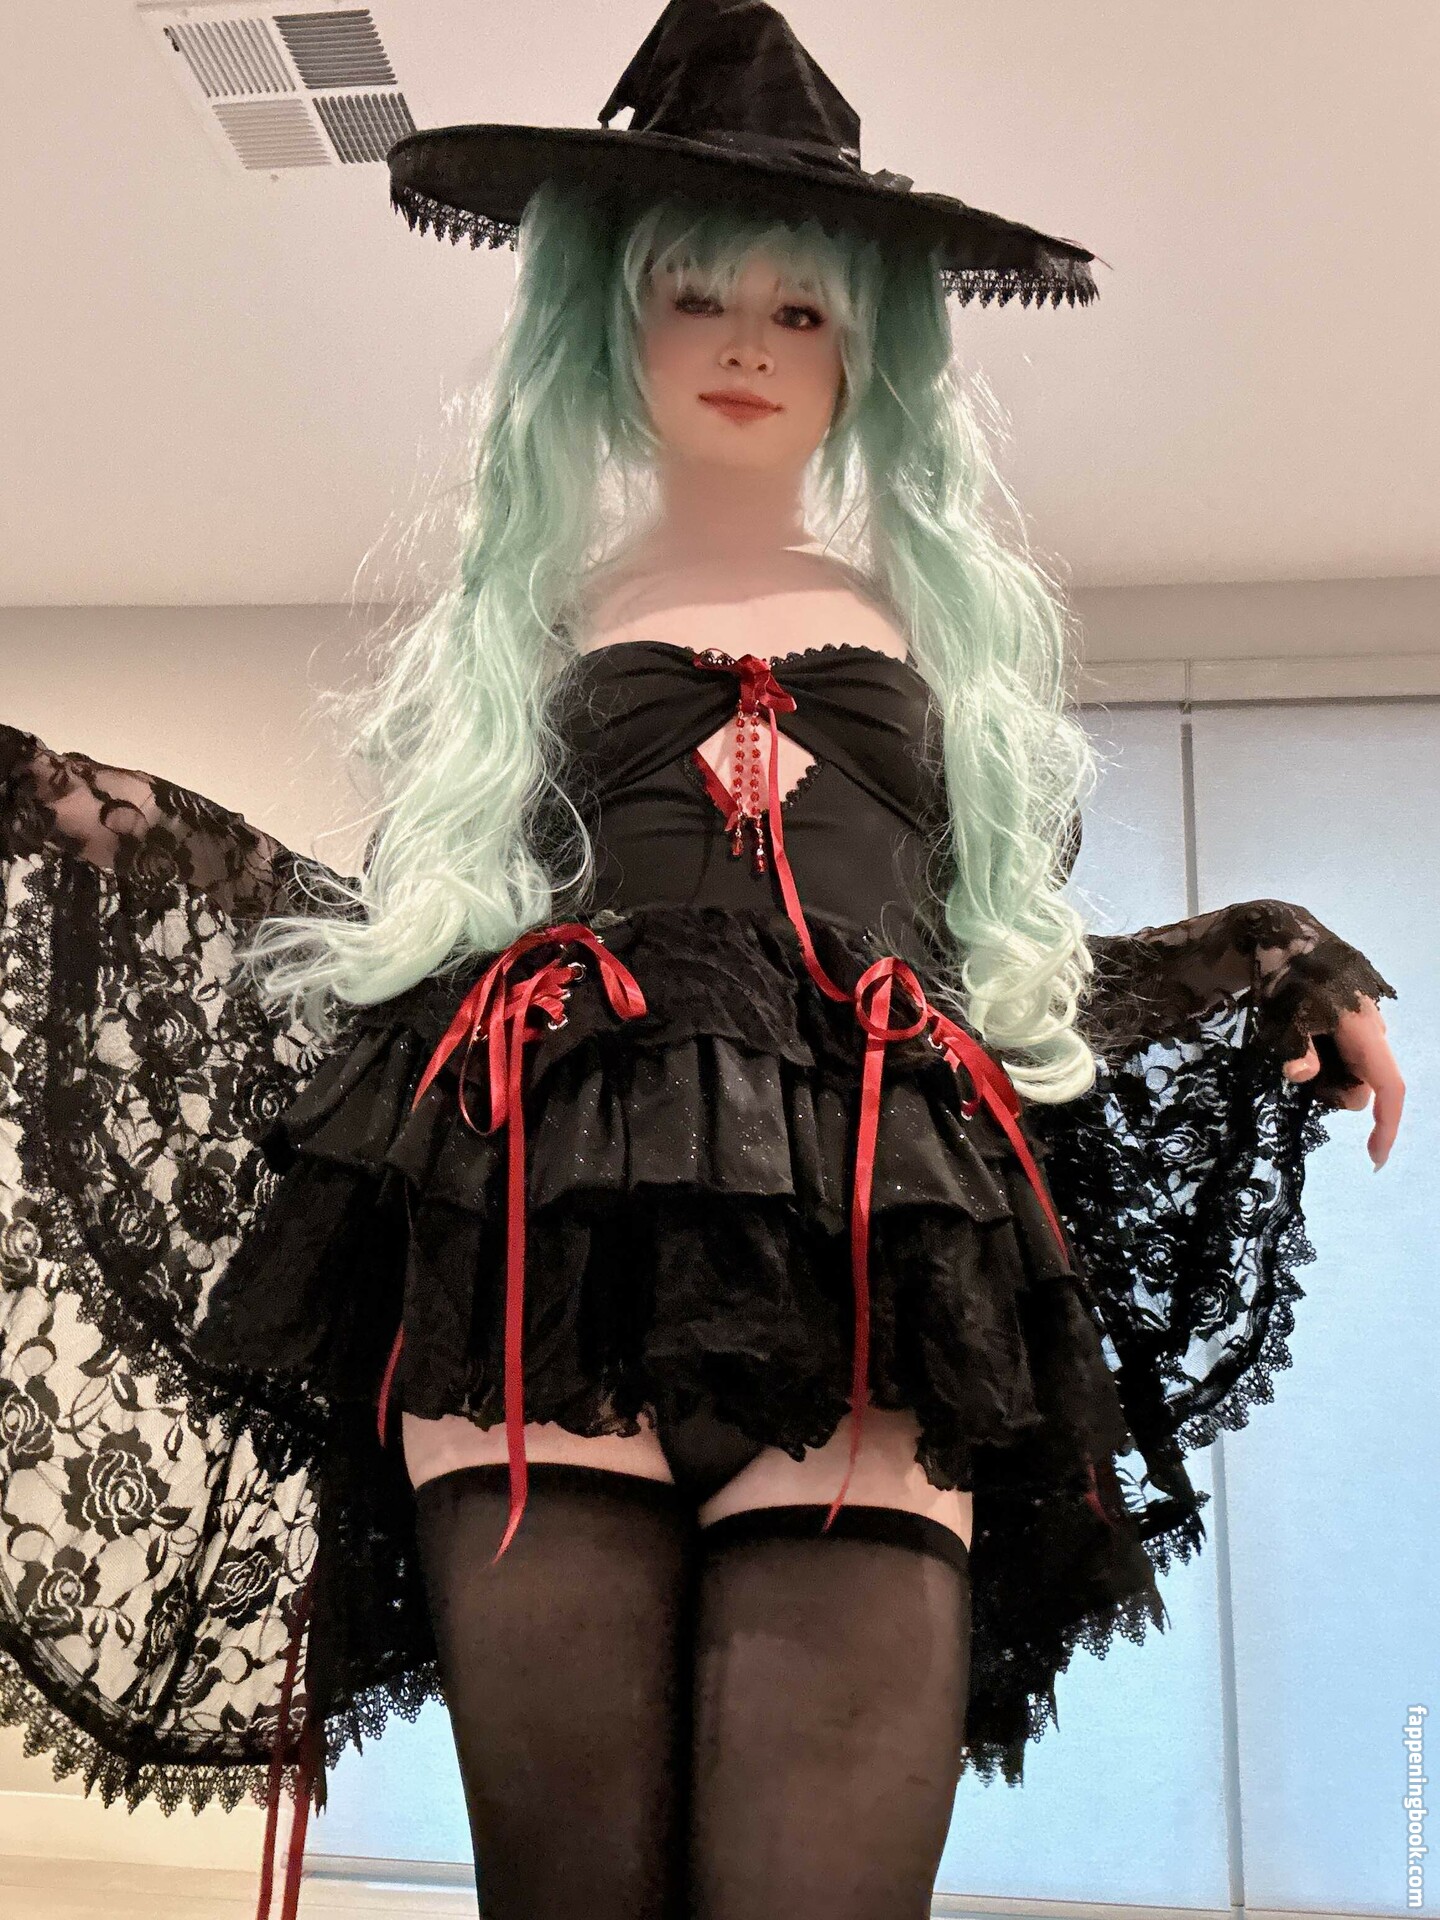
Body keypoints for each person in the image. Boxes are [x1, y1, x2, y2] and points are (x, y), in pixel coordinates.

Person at [0, 4, 1404, 1919]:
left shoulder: (947, 642)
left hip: (870, 1256)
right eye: (696, 296)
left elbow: (1013, 982)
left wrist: (1286, 954)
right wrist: (66, 807)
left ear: (866, 349)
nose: (747, 342)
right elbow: (393, 937)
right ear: (613, 320)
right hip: (541, 1244)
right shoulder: (529, 623)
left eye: (800, 308)